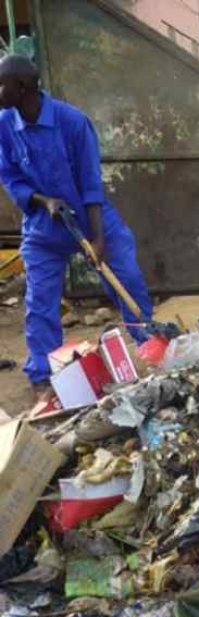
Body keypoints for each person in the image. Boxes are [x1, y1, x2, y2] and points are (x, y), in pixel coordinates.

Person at [0, 55, 153, 396]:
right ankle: (43, 373)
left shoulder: (72, 122)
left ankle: (149, 343)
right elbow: (10, 176)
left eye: (2, 84)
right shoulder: (4, 125)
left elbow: (89, 182)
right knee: (40, 302)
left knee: (126, 278)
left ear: (22, 87)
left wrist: (97, 238)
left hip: (90, 216)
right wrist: (43, 200)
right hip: (43, 227)